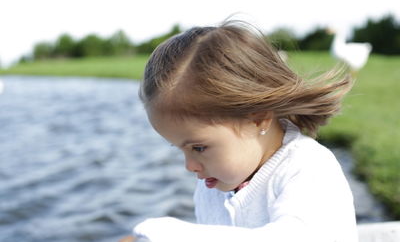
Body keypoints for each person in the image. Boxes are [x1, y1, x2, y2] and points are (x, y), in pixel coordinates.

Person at [129, 20, 358, 242]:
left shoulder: (308, 168)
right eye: (181, 149)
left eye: (198, 147)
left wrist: (168, 234)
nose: (189, 166)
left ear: (258, 119)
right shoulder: (214, 183)